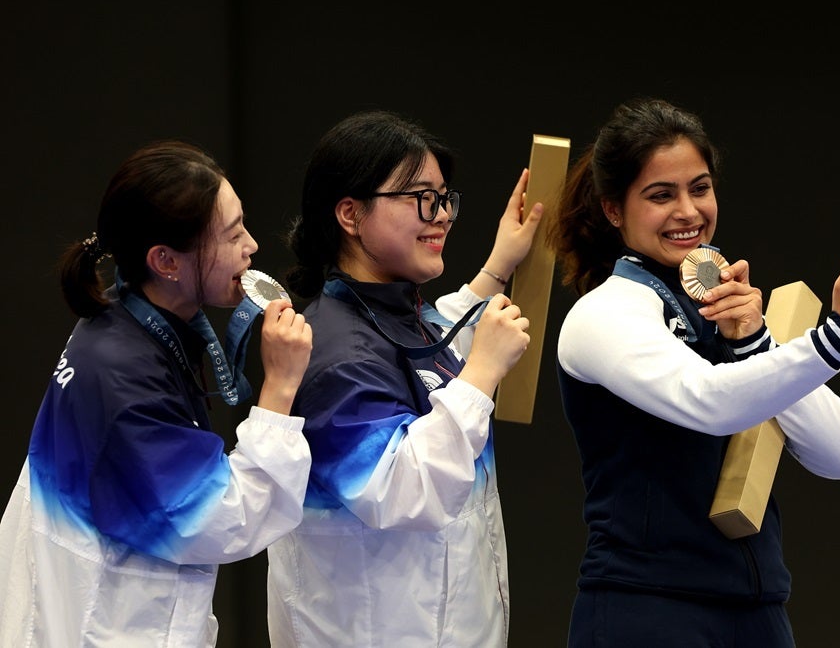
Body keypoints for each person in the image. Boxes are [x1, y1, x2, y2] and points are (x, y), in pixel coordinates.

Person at [547, 97, 840, 647]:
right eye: (660, 195)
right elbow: (711, 404)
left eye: (700, 188)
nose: (689, 211)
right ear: (614, 210)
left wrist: (757, 341)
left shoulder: (731, 311)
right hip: (647, 611)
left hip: (758, 611)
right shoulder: (605, 314)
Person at [0, 140, 314, 646]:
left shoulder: (122, 317)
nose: (252, 246)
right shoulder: (124, 374)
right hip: (101, 624)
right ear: (166, 260)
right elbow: (224, 520)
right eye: (233, 235)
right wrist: (279, 388)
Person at [265, 110, 543, 647]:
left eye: (444, 199)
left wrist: (497, 269)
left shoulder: (397, 312)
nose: (441, 216)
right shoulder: (334, 354)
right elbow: (407, 493)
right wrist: (483, 371)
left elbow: (431, 353)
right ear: (351, 213)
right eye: (422, 198)